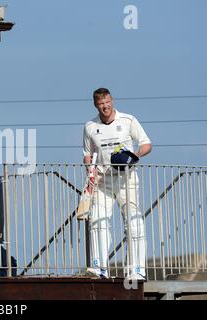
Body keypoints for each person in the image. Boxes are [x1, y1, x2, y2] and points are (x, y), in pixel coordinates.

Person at [82, 88, 152, 281]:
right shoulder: (90, 126)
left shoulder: (128, 120)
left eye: (107, 102)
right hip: (103, 181)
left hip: (126, 180)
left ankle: (137, 270)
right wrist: (91, 169)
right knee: (98, 221)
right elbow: (87, 154)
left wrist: (135, 156)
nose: (105, 107)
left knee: (134, 222)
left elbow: (146, 144)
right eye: (100, 104)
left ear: (112, 101)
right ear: (96, 105)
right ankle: (99, 267)